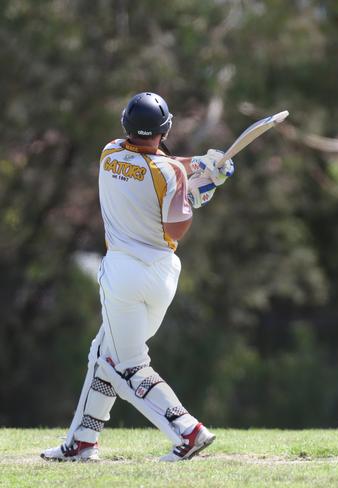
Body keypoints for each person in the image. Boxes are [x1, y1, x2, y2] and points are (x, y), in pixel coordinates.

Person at [41, 92, 234, 461]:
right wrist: (204, 187)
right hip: (161, 275)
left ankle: (188, 431)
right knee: (104, 353)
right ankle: (82, 441)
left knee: (125, 364)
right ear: (167, 128)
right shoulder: (170, 173)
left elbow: (158, 164)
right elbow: (176, 226)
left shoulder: (109, 153)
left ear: (126, 125)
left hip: (123, 273)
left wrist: (200, 165)